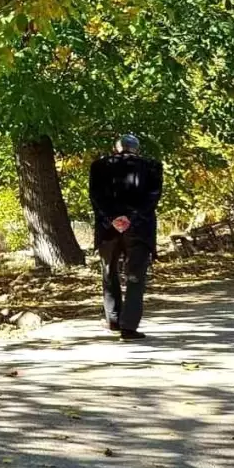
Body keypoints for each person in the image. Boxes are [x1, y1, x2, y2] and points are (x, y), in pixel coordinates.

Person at [88, 134, 163, 341]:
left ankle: (113, 319)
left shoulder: (99, 166)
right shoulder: (152, 166)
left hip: (107, 229)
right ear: (136, 149)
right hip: (140, 229)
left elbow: (96, 196)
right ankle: (128, 327)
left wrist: (113, 218)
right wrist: (131, 218)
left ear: (116, 148)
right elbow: (152, 197)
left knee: (109, 273)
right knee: (135, 277)